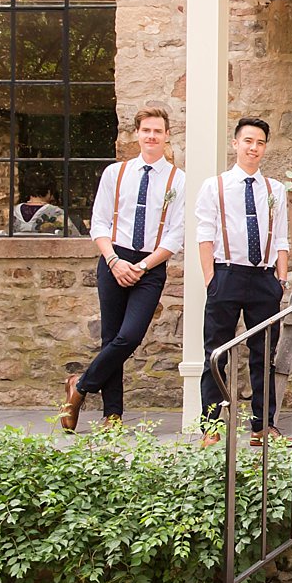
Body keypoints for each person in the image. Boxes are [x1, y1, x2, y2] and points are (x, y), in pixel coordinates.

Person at [62, 107, 187, 431]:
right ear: (137, 133)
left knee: (129, 336)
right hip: (113, 259)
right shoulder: (115, 174)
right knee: (110, 337)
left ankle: (80, 385)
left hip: (151, 264)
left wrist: (143, 266)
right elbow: (100, 222)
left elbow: (176, 233)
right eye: (146, 130)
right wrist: (114, 260)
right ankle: (112, 415)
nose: (151, 136)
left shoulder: (179, 180)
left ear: (167, 135)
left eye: (158, 131)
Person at [195, 117, 291, 447]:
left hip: (264, 278)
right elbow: (205, 234)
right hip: (226, 274)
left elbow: (281, 238)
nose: (254, 148)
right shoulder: (215, 186)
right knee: (216, 352)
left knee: (263, 354)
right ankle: (210, 425)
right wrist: (211, 279)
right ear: (236, 144)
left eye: (260, 142)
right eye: (248, 141)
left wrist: (281, 278)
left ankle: (262, 426)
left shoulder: (275, 190)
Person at [12, 170, 75, 235]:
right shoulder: (56, 212)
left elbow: (6, 235)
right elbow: (74, 238)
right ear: (49, 190)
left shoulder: (14, 211)